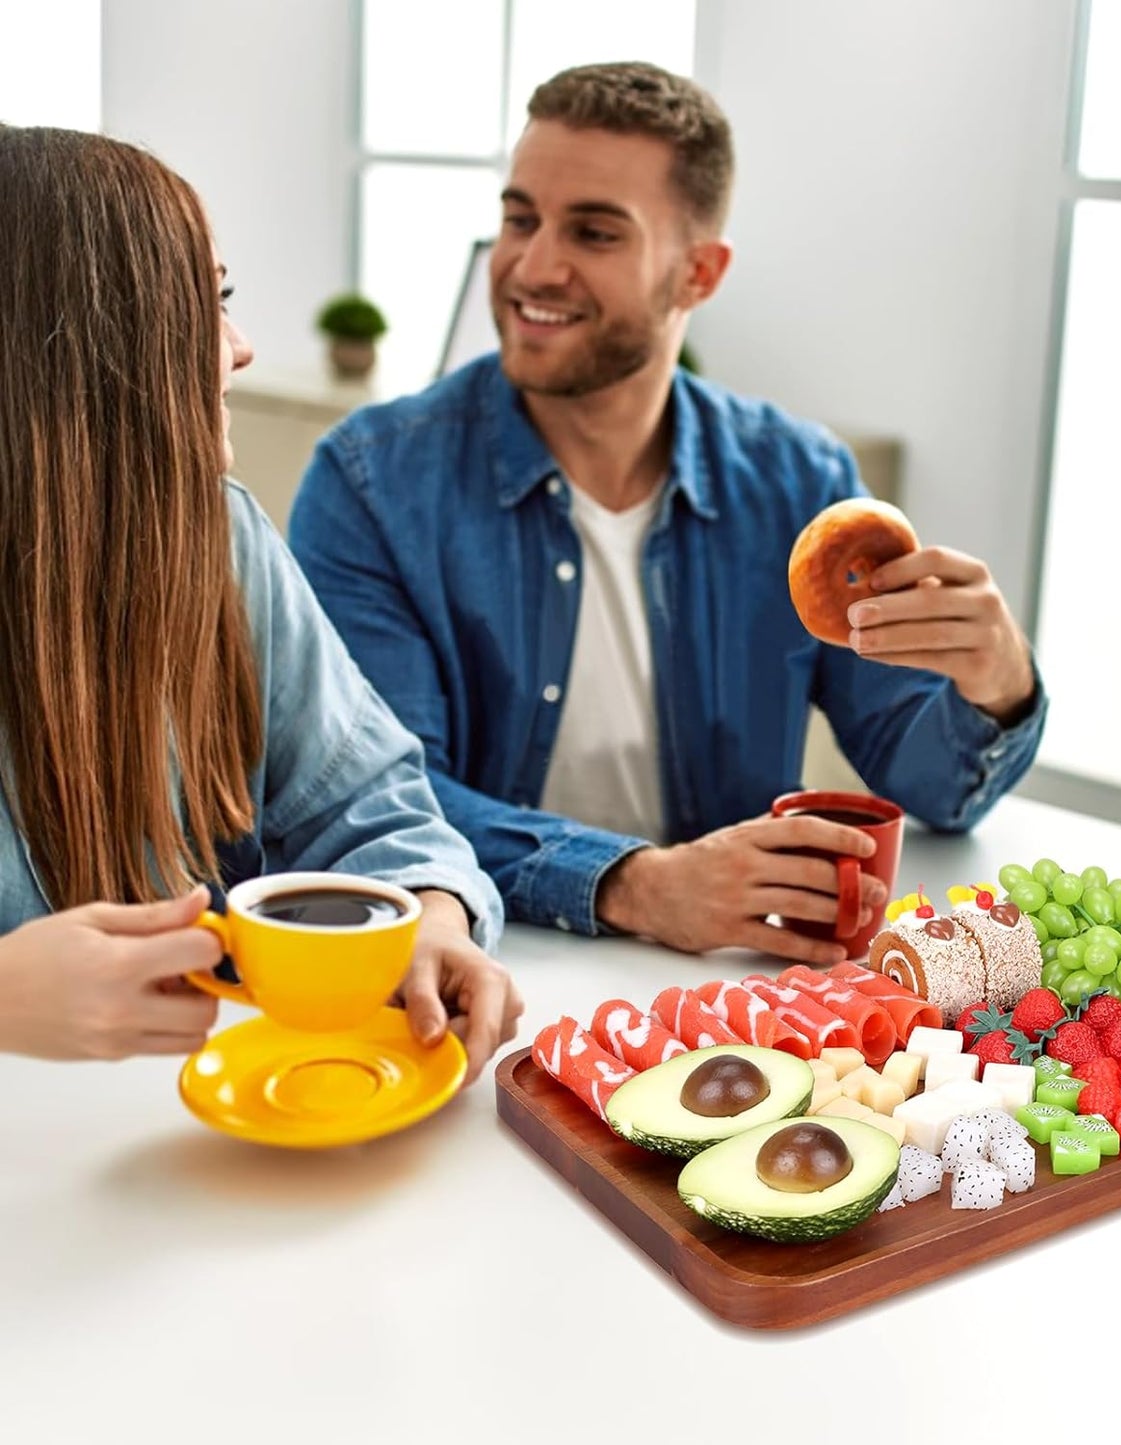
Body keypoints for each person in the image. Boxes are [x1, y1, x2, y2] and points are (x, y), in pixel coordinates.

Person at [290, 62, 1046, 967]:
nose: (532, 266)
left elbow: (932, 790)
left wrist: (996, 685)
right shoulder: (372, 483)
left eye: (594, 231)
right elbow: (383, 802)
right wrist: (635, 881)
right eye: (519, 217)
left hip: (734, 989)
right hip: (492, 966)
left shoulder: (798, 479)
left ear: (698, 272)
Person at [0, 126, 522, 1083]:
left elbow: (372, 804)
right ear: (80, 345)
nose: (238, 349)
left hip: (189, 1153)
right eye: (200, 306)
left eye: (225, 298)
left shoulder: (221, 538)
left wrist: (428, 914)